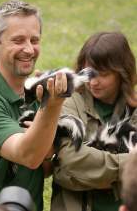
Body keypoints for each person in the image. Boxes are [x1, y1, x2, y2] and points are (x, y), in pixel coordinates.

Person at [0, 0, 68, 211]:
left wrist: (50, 151)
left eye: (35, 40)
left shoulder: (36, 93)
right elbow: (28, 156)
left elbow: (45, 167)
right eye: (18, 40)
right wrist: (52, 106)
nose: (29, 49)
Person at [51, 32, 137, 211]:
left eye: (103, 74)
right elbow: (69, 162)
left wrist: (93, 169)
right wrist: (128, 166)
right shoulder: (68, 102)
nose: (93, 82)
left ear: (122, 73)